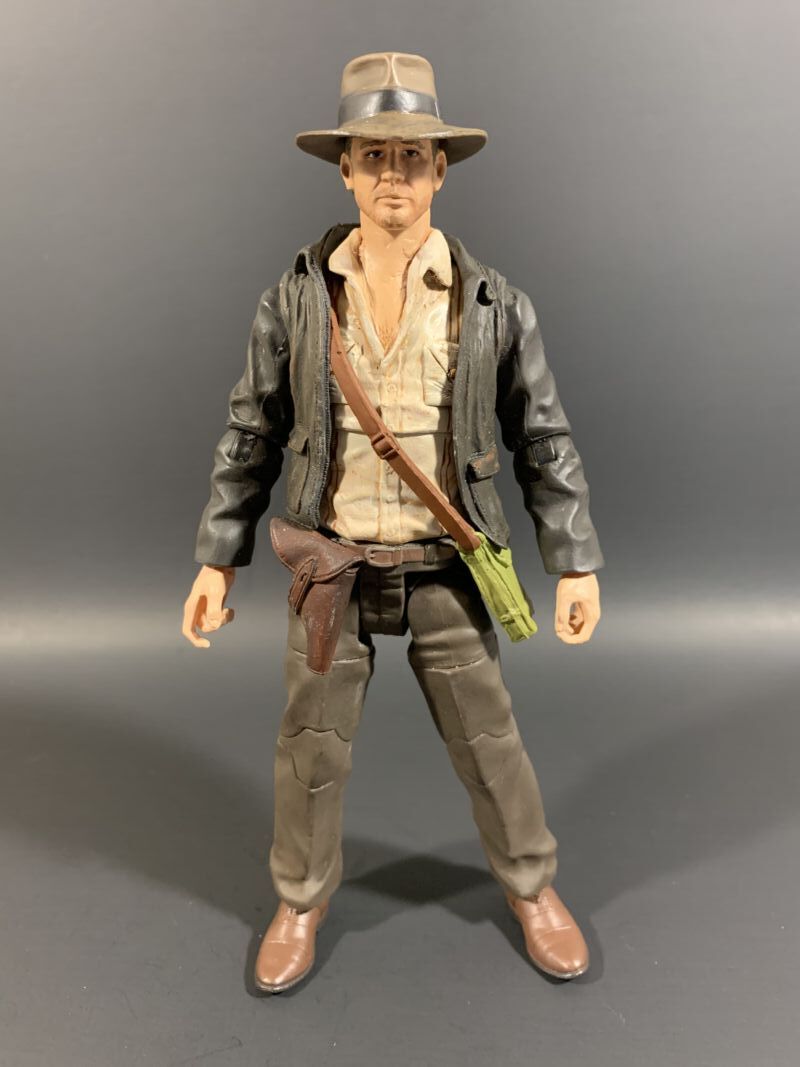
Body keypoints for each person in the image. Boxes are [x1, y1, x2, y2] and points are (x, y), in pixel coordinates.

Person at [182, 52, 604, 994]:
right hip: (330, 568)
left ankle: (531, 885)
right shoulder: (298, 298)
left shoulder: (491, 303)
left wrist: (573, 558)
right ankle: (300, 897)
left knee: (489, 741)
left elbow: (543, 436)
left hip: (445, 563)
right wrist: (218, 556)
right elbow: (251, 430)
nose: (392, 177)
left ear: (440, 169)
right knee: (310, 746)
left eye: (411, 157)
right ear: (345, 169)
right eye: (373, 156)